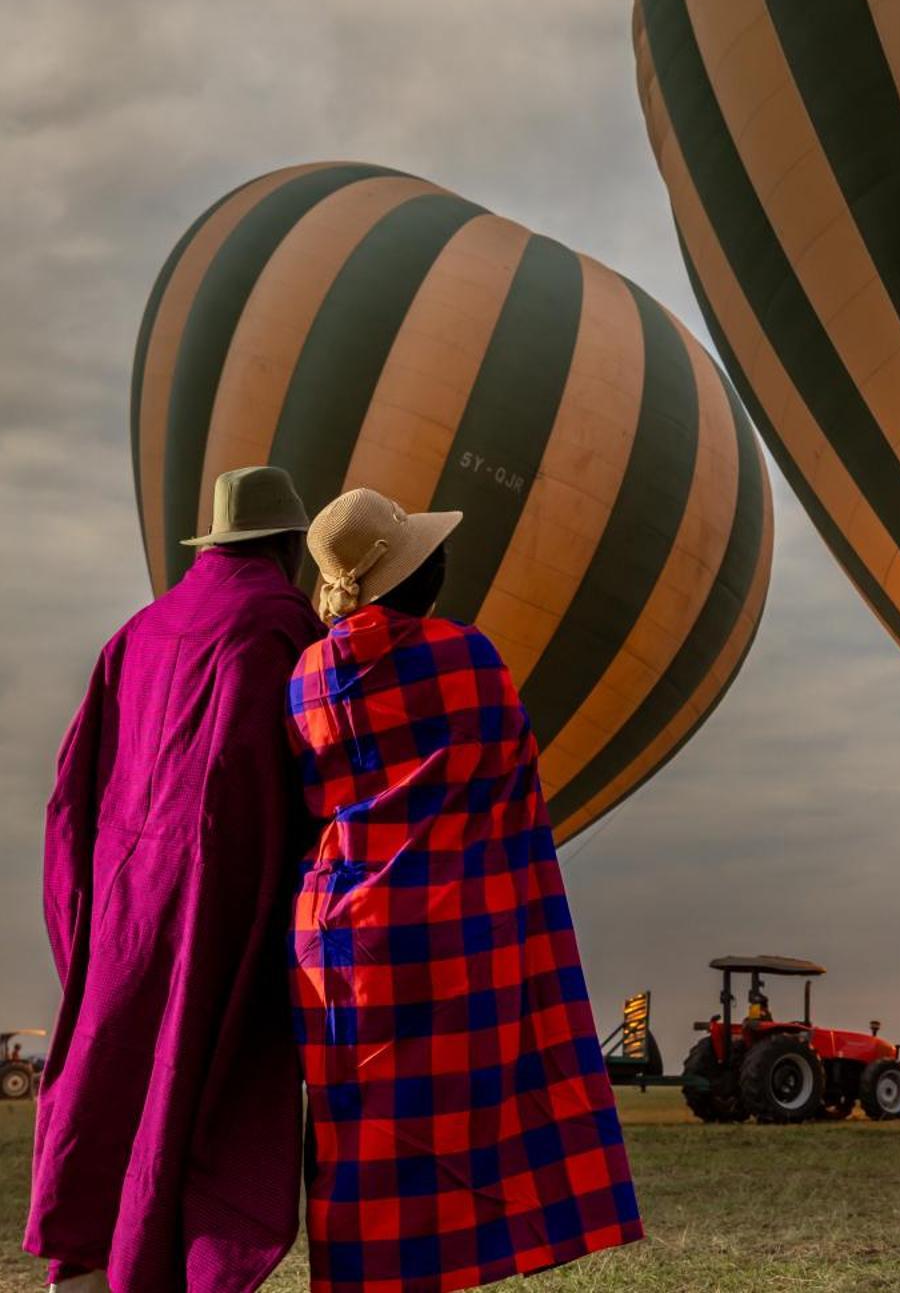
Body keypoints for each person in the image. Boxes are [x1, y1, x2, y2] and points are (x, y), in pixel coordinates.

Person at [288, 488, 642, 1292]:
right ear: (425, 574)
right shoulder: (468, 658)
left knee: (360, 1140)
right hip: (453, 928)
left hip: (338, 949)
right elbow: (506, 771)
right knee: (468, 1118)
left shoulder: (304, 675)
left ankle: (360, 1273)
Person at [27, 467, 323, 1293]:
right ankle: (181, 1267)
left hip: (121, 911)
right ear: (290, 545)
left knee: (107, 1078)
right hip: (222, 909)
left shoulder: (137, 632)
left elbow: (70, 797)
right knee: (207, 1095)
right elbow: (301, 779)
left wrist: (80, 925)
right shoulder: (279, 625)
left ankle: (84, 1268)